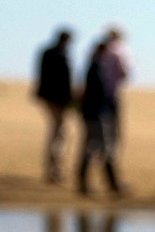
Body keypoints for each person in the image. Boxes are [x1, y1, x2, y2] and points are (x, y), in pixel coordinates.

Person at [78, 41, 123, 195]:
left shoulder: (97, 69)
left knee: (96, 147)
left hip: (96, 114)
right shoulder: (96, 70)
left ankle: (110, 183)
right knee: (97, 147)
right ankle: (110, 184)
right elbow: (95, 95)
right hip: (96, 115)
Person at [34, 29, 76, 184]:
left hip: (50, 98)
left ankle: (53, 169)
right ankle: (54, 170)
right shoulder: (59, 55)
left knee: (56, 132)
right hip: (57, 100)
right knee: (59, 134)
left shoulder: (48, 53)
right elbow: (63, 81)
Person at [98, 25, 132, 149]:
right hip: (112, 93)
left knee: (102, 126)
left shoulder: (101, 51)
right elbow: (125, 72)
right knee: (113, 127)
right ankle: (111, 154)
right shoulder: (118, 52)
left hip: (100, 93)